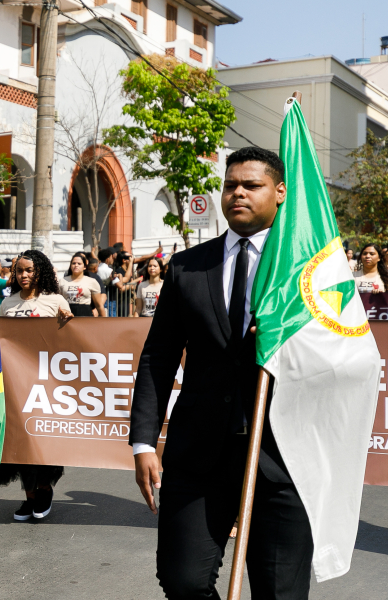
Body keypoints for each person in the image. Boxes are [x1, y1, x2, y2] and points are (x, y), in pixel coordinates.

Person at [131, 147, 314, 598]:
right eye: (231, 185)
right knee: (183, 581)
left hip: (284, 458)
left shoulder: (307, 269)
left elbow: (339, 358)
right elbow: (158, 356)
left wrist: (288, 336)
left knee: (280, 594)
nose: (238, 193)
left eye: (251, 185)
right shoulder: (188, 266)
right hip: (198, 456)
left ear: (280, 192)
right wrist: (143, 442)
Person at [0, 250, 73, 520]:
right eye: (19, 271)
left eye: (29, 270)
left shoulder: (55, 300)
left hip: (45, 382)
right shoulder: (7, 303)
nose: (23, 275)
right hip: (15, 382)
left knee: (41, 435)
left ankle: (44, 488)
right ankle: (30, 497)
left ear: (41, 272)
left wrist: (67, 321)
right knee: (19, 437)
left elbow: (68, 341)